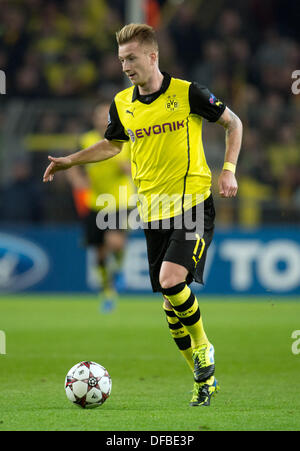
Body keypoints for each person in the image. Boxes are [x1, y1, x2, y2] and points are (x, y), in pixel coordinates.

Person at [43, 23, 243, 406]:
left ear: (152, 56)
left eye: (131, 58)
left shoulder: (189, 93)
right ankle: (204, 381)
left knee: (171, 281)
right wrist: (70, 161)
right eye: (121, 60)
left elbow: (233, 123)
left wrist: (229, 168)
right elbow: (111, 145)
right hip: (153, 214)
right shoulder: (122, 104)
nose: (125, 66)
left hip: (192, 205)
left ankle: (204, 348)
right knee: (171, 306)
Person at [66, 103, 134, 312]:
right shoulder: (85, 140)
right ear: (94, 119)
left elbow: (139, 164)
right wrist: (77, 180)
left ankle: (120, 268)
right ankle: (108, 292)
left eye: (107, 116)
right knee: (100, 253)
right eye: (99, 115)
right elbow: (71, 163)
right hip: (95, 201)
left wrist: (128, 168)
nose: (103, 119)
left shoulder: (126, 138)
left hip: (121, 199)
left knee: (115, 241)